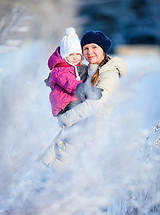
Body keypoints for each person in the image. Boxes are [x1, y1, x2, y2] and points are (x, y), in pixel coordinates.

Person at [41, 30, 128, 167]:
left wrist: (66, 118)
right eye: (85, 48)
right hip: (76, 126)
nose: (89, 52)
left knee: (59, 169)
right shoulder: (88, 70)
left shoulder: (109, 74)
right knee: (47, 163)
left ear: (103, 50)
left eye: (94, 47)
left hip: (87, 132)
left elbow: (96, 104)